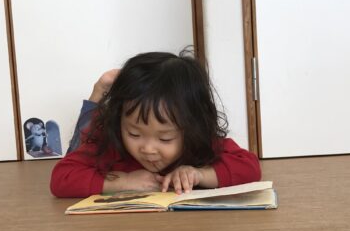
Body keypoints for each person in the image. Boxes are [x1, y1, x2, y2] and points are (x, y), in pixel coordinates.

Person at [50, 50, 261, 198]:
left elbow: (250, 167)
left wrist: (199, 174)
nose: (148, 149)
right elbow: (61, 178)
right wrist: (121, 182)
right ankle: (98, 96)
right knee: (87, 134)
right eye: (134, 134)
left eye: (165, 138)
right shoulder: (110, 141)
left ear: (192, 128)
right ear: (119, 123)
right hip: (98, 132)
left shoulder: (200, 143)